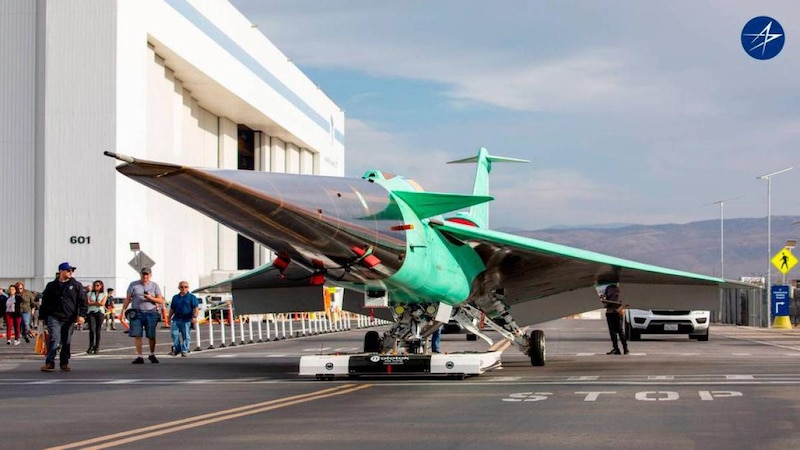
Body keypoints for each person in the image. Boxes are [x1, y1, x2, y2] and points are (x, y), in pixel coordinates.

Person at [39, 262, 87, 372]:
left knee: (66, 341)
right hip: (54, 316)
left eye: (72, 271)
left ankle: (64, 362)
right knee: (54, 338)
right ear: (61, 271)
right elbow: (45, 302)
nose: (70, 272)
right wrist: (42, 317)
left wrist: (82, 315)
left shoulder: (76, 285)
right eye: (68, 270)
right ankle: (50, 362)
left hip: (69, 318)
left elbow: (83, 301)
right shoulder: (51, 285)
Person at [122, 267, 164, 364]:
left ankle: (152, 354)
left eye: (147, 274)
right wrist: (123, 311)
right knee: (137, 335)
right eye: (143, 274)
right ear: (140, 274)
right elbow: (128, 299)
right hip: (137, 313)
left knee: (151, 335)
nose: (145, 276)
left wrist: (150, 297)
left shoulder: (154, 286)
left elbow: (160, 300)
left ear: (150, 275)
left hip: (151, 312)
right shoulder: (133, 285)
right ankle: (139, 356)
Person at [169, 281, 199, 357]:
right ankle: (178, 348)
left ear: (188, 288)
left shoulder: (192, 297)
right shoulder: (175, 297)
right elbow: (172, 308)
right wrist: (169, 317)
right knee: (174, 334)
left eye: (185, 287)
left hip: (186, 319)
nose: (183, 288)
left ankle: (185, 349)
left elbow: (196, 308)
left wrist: (195, 317)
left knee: (186, 335)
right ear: (179, 288)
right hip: (176, 318)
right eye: (182, 287)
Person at [601, 284, 628, 355]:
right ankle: (617, 348)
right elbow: (604, 298)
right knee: (613, 332)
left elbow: (625, 301)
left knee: (619, 331)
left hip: (617, 312)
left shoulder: (621, 289)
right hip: (611, 312)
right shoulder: (609, 288)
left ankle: (624, 348)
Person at [85, 280, 107, 354]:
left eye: (98, 285)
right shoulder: (90, 293)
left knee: (98, 330)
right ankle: (91, 345)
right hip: (91, 312)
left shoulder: (104, 294)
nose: (96, 287)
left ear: (101, 286)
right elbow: (88, 303)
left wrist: (93, 302)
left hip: (100, 312)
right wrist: (96, 303)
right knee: (92, 329)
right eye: (95, 285)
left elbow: (102, 303)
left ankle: (96, 346)